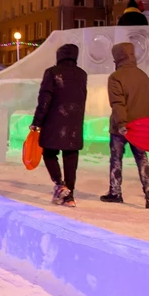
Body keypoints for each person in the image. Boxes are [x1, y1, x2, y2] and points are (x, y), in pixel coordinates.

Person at [101, 43, 149, 208]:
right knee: (142, 158)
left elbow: (118, 103)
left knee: (116, 159)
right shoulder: (143, 76)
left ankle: (115, 192)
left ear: (117, 57)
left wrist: (121, 123)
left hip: (121, 126)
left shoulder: (116, 77)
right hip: (141, 126)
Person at [31, 44, 87, 207]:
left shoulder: (52, 72)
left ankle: (60, 184)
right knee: (71, 157)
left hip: (54, 121)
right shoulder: (82, 74)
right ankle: (69, 195)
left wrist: (37, 122)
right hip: (74, 122)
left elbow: (44, 100)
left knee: (49, 152)